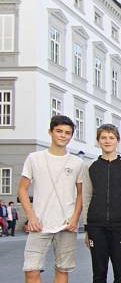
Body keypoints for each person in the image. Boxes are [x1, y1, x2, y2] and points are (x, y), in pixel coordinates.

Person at [18, 115, 84, 283]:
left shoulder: (77, 162)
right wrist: (31, 217)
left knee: (62, 269)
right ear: (50, 132)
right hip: (39, 224)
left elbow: (81, 194)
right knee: (31, 270)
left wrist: (75, 218)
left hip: (66, 223)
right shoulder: (34, 158)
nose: (63, 135)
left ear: (71, 136)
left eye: (67, 133)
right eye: (59, 131)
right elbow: (22, 189)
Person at [83, 123, 121, 283]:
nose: (107, 141)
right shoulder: (89, 166)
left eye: (111, 137)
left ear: (118, 140)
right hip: (96, 227)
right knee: (99, 274)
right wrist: (87, 228)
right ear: (98, 141)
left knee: (120, 274)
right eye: (103, 138)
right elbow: (86, 197)